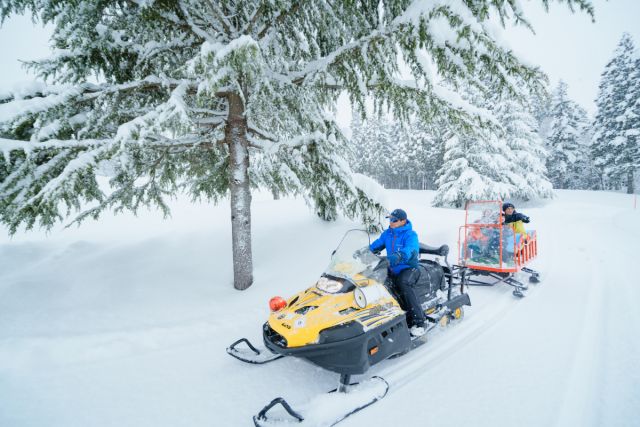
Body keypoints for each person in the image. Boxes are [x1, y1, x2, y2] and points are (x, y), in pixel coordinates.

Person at [368, 208, 426, 337]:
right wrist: (362, 252)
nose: (391, 222)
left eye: (394, 220)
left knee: (403, 283)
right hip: (392, 267)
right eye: (390, 219)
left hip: (408, 267)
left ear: (403, 221)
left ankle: (419, 321)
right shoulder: (388, 233)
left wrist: (399, 256)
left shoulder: (410, 235)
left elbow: (410, 249)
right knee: (374, 280)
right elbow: (376, 245)